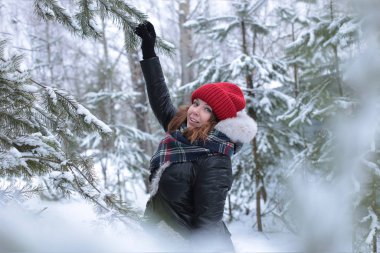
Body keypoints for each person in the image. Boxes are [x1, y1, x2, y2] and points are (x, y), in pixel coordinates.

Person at [134, 21, 257, 252]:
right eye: (196, 103)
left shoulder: (215, 159)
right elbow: (160, 99)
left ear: (217, 120)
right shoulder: (182, 132)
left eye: (207, 109)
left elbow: (208, 226)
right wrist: (149, 52)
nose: (195, 111)